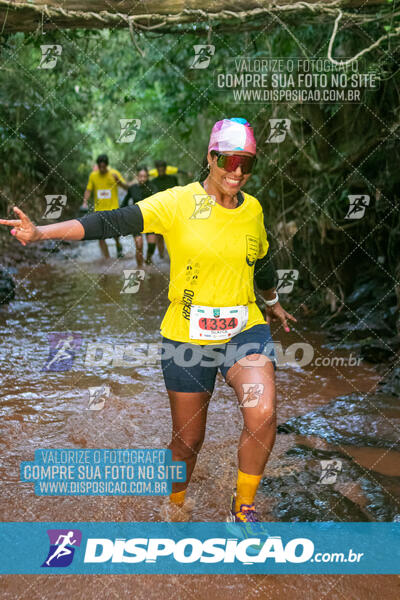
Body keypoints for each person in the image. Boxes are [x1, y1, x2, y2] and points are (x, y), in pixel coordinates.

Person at [1, 117, 296, 522]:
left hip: (244, 327)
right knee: (188, 440)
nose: (238, 172)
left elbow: (261, 261)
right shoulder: (176, 202)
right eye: (229, 161)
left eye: (247, 164)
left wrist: (273, 301)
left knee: (262, 414)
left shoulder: (254, 210)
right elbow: (110, 221)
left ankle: (242, 507)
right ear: (211, 158)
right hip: (186, 333)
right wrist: (41, 234)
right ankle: (175, 505)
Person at [81, 154, 128, 259]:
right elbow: (88, 190)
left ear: (107, 165)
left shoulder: (114, 174)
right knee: (100, 236)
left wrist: (118, 181)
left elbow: (126, 187)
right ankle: (107, 259)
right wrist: (84, 202)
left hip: (113, 210)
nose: (102, 169)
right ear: (98, 165)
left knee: (116, 234)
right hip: (98, 211)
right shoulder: (93, 175)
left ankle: (118, 247)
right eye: (100, 166)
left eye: (104, 166)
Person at [120, 166, 157, 266]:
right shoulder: (132, 189)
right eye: (140, 176)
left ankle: (148, 258)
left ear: (148, 177)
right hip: (136, 220)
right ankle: (140, 269)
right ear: (137, 176)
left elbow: (159, 204)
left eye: (145, 176)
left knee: (152, 245)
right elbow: (124, 204)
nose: (142, 179)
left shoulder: (153, 188)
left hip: (150, 220)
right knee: (139, 244)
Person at [150, 160, 179, 259]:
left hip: (172, 211)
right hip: (159, 212)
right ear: (157, 169)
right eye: (159, 168)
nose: (161, 170)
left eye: (162, 168)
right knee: (159, 236)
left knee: (174, 236)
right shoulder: (153, 182)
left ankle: (173, 256)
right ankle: (161, 257)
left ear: (166, 169)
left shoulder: (173, 179)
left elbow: (178, 194)